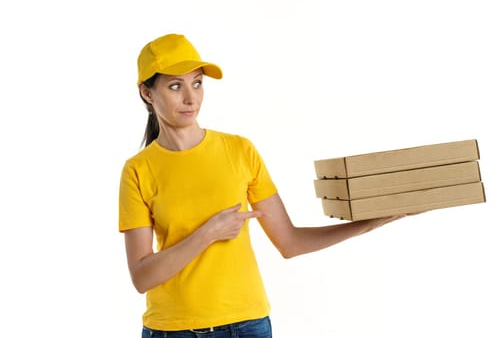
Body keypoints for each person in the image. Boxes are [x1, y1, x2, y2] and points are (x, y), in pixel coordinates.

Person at [118, 33, 410, 338]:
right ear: (147, 94)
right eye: (175, 86)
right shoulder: (138, 170)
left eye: (197, 83)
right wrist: (209, 233)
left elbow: (290, 242)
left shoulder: (240, 151)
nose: (191, 98)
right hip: (174, 331)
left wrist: (373, 221)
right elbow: (142, 277)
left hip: (248, 325)